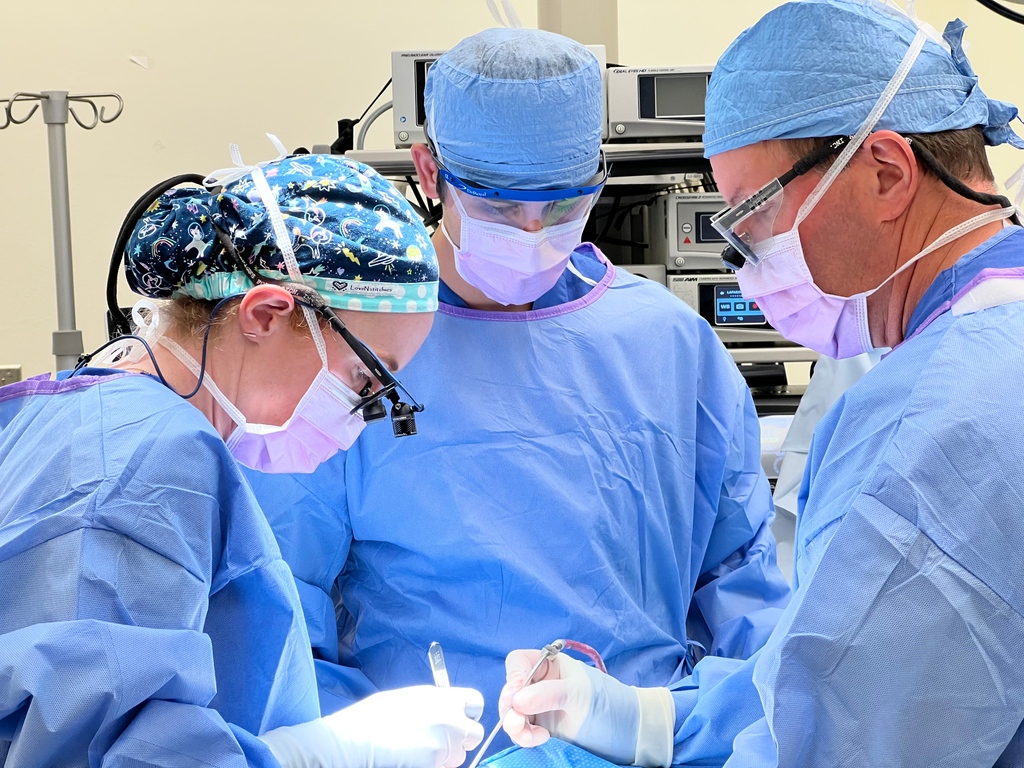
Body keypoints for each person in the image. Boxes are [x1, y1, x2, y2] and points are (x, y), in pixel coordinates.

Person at [500, 1, 1024, 765]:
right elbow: (835, 671)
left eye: (756, 216)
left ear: (885, 172)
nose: (747, 262)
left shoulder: (932, 423)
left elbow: (843, 730)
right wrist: (644, 720)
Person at [245, 26, 791, 757]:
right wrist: (362, 744)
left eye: (563, 207)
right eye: (501, 208)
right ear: (429, 171)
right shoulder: (351, 350)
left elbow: (742, 587)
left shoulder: (668, 343)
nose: (534, 233)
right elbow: (286, 611)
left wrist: (680, 726)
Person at [0, 149, 484, 767]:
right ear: (265, 314)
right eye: (365, 381)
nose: (363, 416)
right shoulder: (146, 461)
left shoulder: (84, 414)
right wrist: (318, 754)